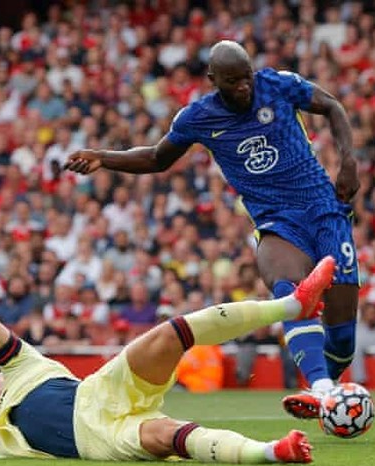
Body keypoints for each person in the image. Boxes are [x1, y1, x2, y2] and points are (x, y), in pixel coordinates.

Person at [65, 40, 360, 419]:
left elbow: (332, 105)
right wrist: (104, 158)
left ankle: (328, 382)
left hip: (323, 208)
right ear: (213, 79)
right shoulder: (198, 117)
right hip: (276, 220)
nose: (243, 87)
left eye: (246, 78)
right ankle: (321, 389)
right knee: (290, 291)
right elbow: (157, 158)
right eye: (233, 81)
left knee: (343, 339)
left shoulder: (278, 85)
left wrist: (349, 160)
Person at [0, 257, 336, 463]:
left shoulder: (25, 364)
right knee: (167, 434)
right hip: (98, 439)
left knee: (166, 335)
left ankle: (291, 307)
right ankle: (273, 453)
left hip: (98, 390)